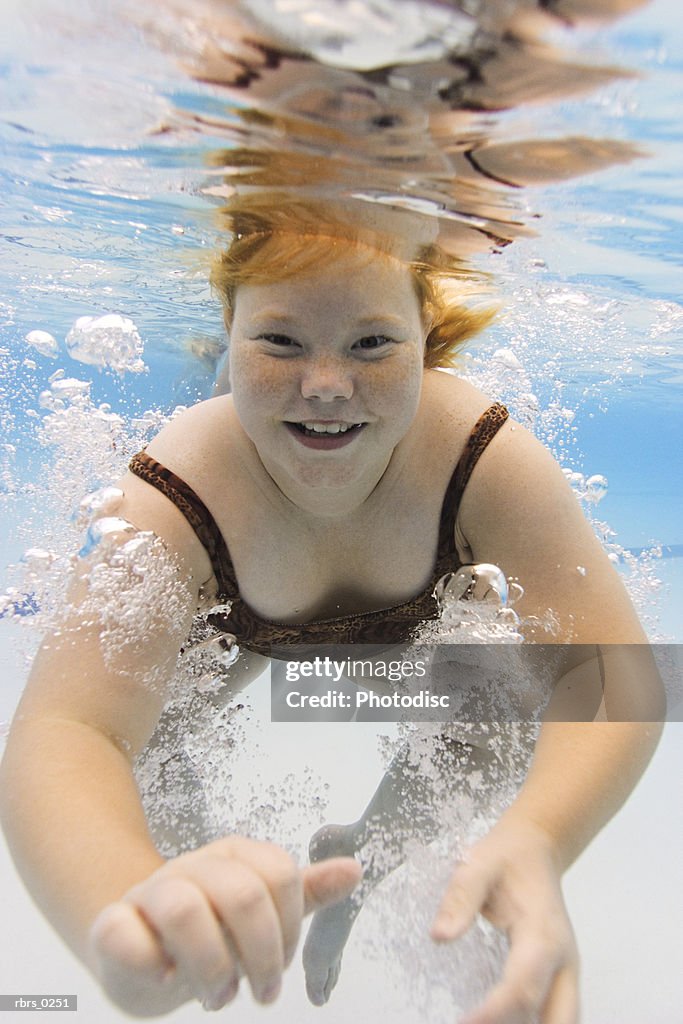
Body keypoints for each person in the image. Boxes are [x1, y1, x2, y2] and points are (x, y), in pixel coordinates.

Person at [0, 197, 664, 1023]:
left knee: (500, 694)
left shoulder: (480, 455)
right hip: (234, 621)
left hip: (423, 620)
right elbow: (69, 729)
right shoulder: (173, 493)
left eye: (372, 343)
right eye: (278, 341)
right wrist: (120, 897)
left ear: (426, 337)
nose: (324, 386)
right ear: (229, 333)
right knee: (149, 738)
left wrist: (540, 838)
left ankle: (364, 863)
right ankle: (200, 880)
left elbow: (608, 670)